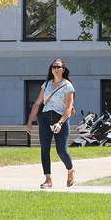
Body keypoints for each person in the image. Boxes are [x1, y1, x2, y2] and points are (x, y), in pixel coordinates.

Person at [25, 58, 76, 189]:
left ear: (63, 69)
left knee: (61, 151)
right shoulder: (46, 84)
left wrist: (60, 123)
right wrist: (30, 121)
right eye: (54, 66)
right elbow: (37, 103)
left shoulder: (67, 85)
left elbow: (69, 108)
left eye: (58, 66)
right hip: (45, 118)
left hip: (61, 118)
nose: (56, 69)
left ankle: (70, 170)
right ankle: (48, 179)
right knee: (44, 149)